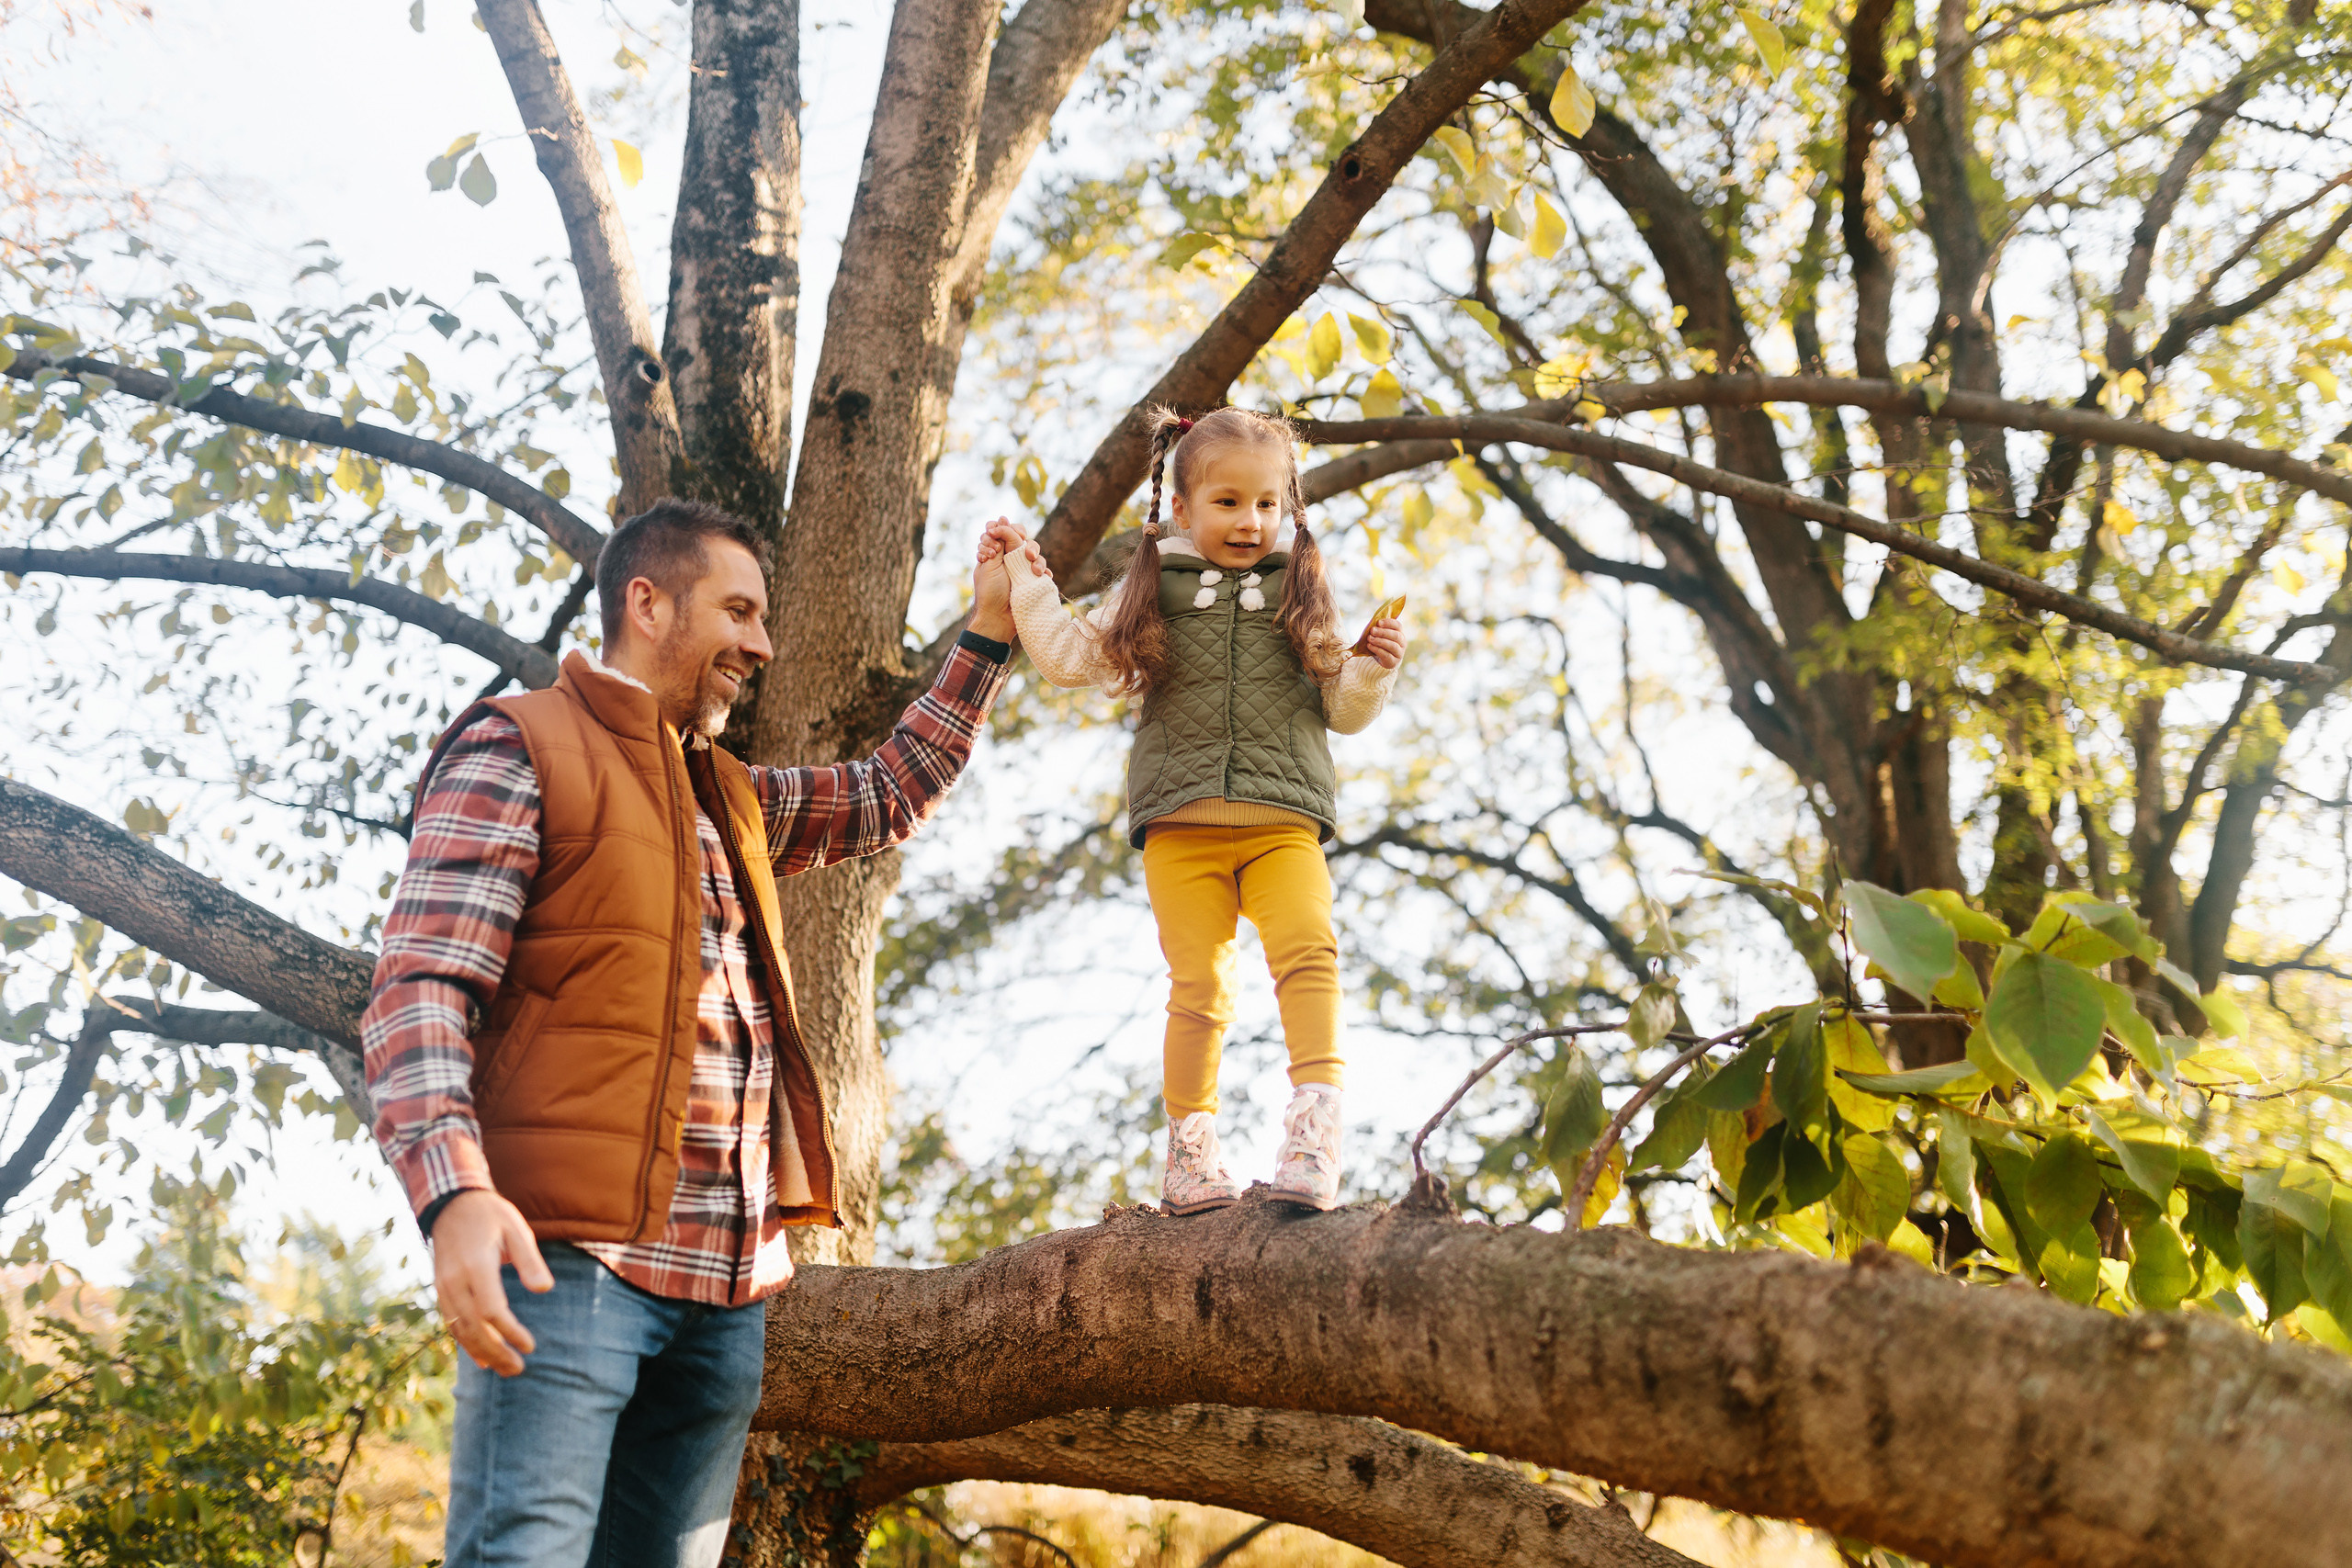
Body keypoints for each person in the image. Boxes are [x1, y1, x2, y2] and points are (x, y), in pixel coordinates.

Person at [361, 498, 1022, 1568]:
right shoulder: (519, 744)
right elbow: (421, 988)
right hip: (569, 1265)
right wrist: (454, 1192)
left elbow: (886, 793)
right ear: (646, 602)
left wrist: (986, 633)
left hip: (726, 1299)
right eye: (741, 612)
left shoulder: (732, 801)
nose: (762, 645)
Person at [999, 406, 1406, 1216]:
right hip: (1179, 827)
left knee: (1308, 955)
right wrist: (1026, 579)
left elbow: (1345, 707)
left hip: (1282, 819)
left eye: (1266, 503)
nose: (1250, 521)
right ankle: (1191, 1154)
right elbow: (1072, 657)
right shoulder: (1154, 590)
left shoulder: (1300, 588)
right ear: (1182, 509)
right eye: (1227, 502)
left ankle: (1315, 1131)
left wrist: (1371, 668)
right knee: (1198, 989)